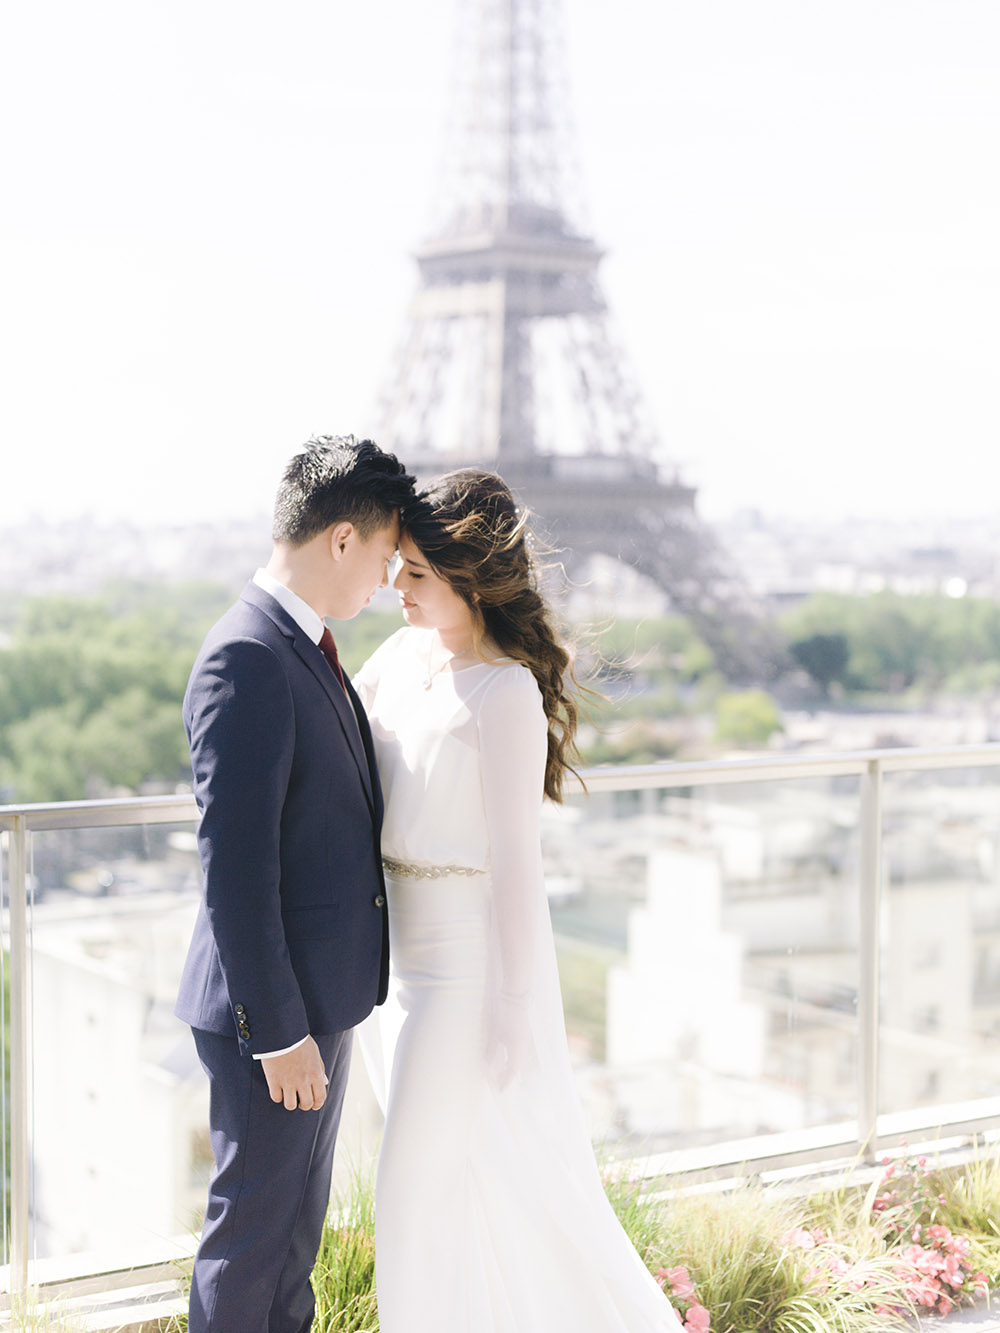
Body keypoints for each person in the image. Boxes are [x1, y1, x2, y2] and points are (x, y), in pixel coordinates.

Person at [355, 469, 682, 1332]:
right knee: (458, 1188)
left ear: (472, 580)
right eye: (400, 566)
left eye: (419, 573)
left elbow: (517, 868)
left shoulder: (505, 695)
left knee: (406, 1189)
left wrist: (511, 1005)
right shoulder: (395, 657)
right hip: (389, 971)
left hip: (458, 978)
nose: (399, 586)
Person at [175, 435, 414, 1333]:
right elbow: (234, 871)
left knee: (288, 1250)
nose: (388, 580)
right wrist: (278, 1035)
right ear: (342, 539)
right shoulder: (249, 655)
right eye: (387, 556)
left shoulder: (297, 645)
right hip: (269, 1023)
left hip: (313, 1005)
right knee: (250, 1243)